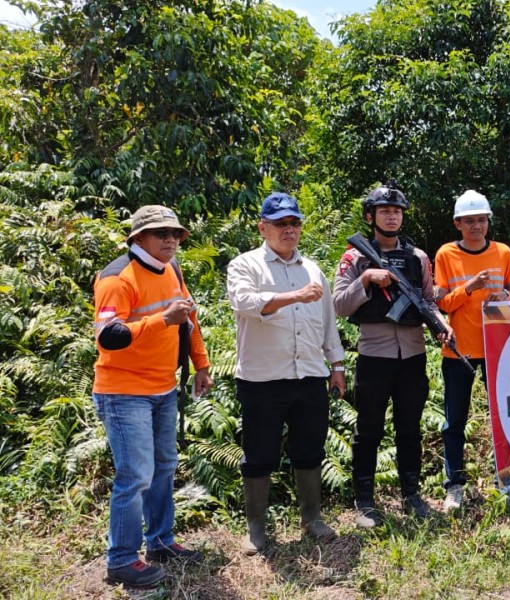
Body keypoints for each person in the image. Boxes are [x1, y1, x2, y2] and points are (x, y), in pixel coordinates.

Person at [92, 205, 212, 587]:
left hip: (164, 388)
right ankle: (122, 560)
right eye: (161, 233)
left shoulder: (172, 270)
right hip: (125, 393)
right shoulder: (117, 278)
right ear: (138, 238)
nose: (171, 240)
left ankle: (160, 541)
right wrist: (161, 320)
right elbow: (108, 337)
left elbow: (188, 318)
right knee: (135, 475)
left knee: (163, 467)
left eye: (175, 234)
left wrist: (202, 364)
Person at [226, 192, 344, 555]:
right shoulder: (245, 265)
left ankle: (312, 518)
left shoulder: (313, 270)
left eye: (294, 223)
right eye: (280, 224)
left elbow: (328, 324)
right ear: (263, 227)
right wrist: (293, 297)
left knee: (309, 448)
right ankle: (256, 529)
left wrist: (336, 365)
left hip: (309, 374)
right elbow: (243, 303)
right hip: (262, 378)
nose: (288, 230)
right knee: (259, 454)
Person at [333, 182, 451, 526]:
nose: (392, 216)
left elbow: (428, 300)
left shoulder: (418, 258)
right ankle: (365, 501)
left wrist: (441, 323)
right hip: (374, 354)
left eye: (397, 211)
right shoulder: (354, 257)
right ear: (371, 216)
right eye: (385, 211)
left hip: (412, 354)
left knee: (409, 428)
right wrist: (366, 279)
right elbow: (339, 305)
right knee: (369, 428)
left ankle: (411, 495)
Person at [433, 190, 510, 512]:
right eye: (469, 221)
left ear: (488, 222)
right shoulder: (446, 254)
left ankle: (508, 482)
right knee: (455, 420)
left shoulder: (503, 252)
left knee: (504, 417)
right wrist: (469, 287)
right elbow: (440, 302)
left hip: (498, 348)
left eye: (481, 220)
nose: (476, 226)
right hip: (459, 350)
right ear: (458, 224)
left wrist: (504, 300)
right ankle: (454, 485)